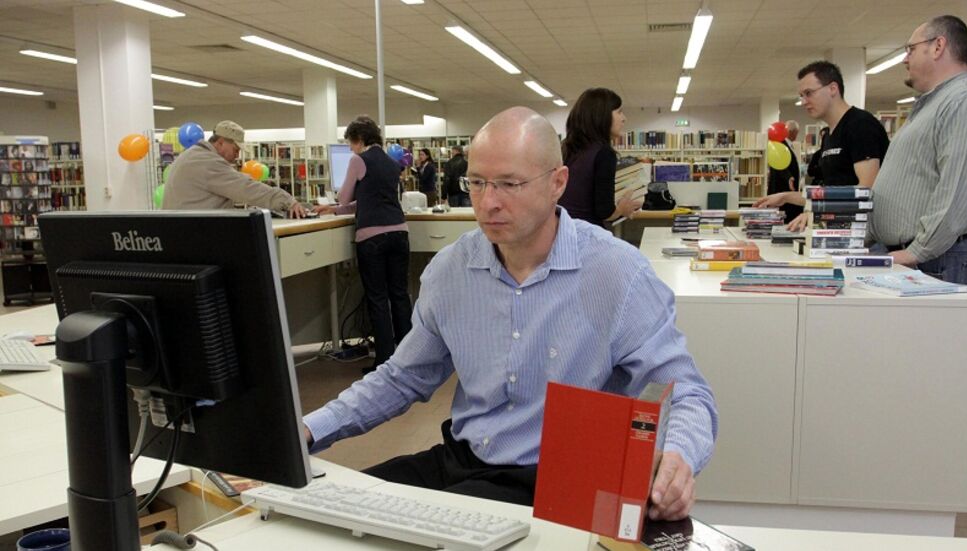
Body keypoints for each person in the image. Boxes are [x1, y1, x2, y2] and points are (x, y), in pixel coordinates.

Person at [303, 107, 718, 520]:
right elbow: (403, 377)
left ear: (557, 183)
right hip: (462, 461)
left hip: (562, 480)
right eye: (478, 183)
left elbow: (687, 394)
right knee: (336, 511)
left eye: (509, 184)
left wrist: (677, 458)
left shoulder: (617, 273)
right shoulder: (451, 271)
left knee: (402, 527)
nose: (488, 202)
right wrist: (309, 429)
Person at [869, 15, 967, 288]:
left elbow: (957, 189)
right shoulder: (933, 103)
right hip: (915, 255)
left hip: (937, 258)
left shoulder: (963, 101)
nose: (906, 59)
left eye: (911, 49)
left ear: (938, 46)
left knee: (933, 332)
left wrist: (917, 251)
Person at [319, 116, 412, 371]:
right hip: (399, 233)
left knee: (378, 298)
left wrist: (337, 204)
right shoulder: (392, 163)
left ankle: (384, 360)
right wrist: (337, 211)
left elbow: (345, 195)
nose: (350, 148)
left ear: (359, 140)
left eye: (351, 143)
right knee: (400, 295)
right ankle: (408, 358)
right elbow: (373, 198)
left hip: (371, 237)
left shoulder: (358, 160)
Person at [754, 61, 889, 231]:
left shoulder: (860, 125)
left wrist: (818, 213)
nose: (803, 101)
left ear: (833, 88)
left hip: (864, 236)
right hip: (837, 233)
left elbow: (866, 190)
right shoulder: (829, 135)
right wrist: (785, 196)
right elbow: (829, 195)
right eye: (801, 95)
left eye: (809, 93)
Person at [162, 120, 309, 218]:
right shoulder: (208, 162)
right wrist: (288, 201)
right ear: (220, 143)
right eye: (235, 149)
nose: (236, 156)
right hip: (197, 239)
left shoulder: (190, 155)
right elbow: (246, 188)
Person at [559, 88, 643, 227]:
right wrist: (623, 209)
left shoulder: (567, 148)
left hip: (562, 230)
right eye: (619, 112)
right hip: (587, 235)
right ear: (602, 116)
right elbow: (604, 211)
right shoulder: (604, 153)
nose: (624, 118)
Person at [767, 120, 802, 222]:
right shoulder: (780, 144)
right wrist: (789, 177)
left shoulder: (785, 144)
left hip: (785, 189)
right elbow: (780, 165)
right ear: (793, 132)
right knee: (784, 217)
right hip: (782, 188)